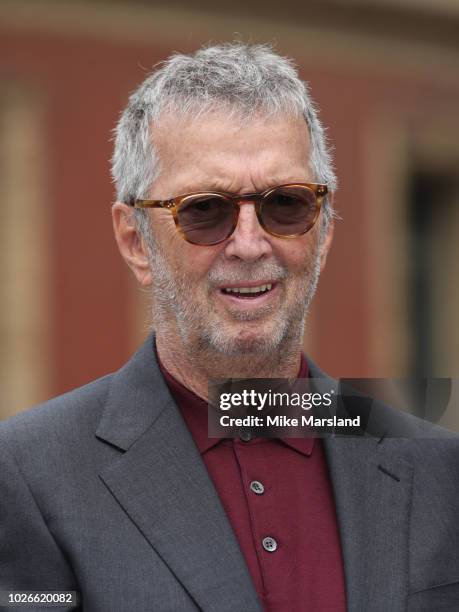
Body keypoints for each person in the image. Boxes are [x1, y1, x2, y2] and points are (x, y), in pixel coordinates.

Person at [1, 43, 458, 612]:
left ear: (325, 229)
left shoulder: (438, 467)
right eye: (205, 209)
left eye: (286, 203)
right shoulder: (26, 474)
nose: (248, 244)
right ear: (134, 241)